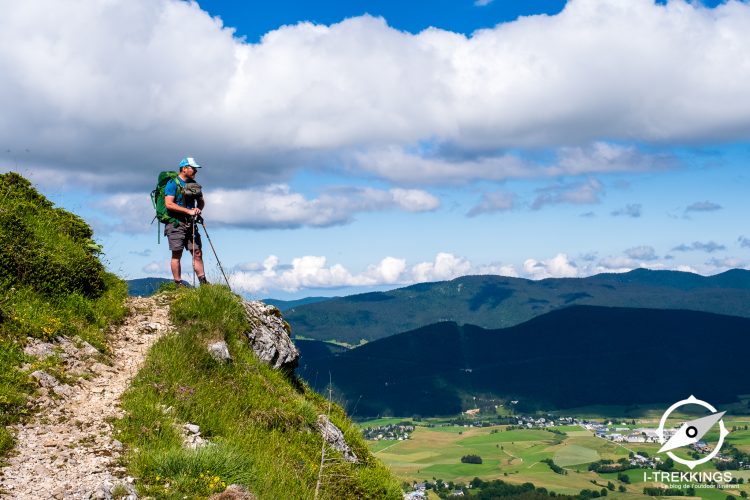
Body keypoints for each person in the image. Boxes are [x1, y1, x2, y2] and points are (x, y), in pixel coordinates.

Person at [164, 157, 208, 286]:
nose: (195, 171)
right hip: (175, 223)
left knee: (197, 252)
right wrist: (188, 211)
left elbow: (201, 202)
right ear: (184, 169)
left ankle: (203, 283)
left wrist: (198, 209)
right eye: (193, 168)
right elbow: (169, 204)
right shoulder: (172, 183)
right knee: (177, 254)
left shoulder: (193, 184)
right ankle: (178, 284)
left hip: (191, 224)